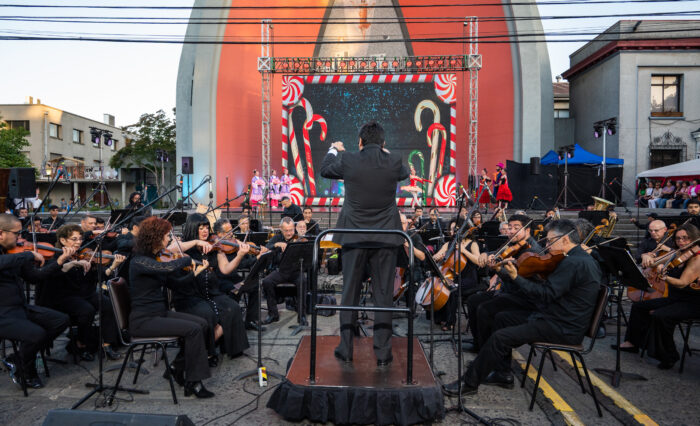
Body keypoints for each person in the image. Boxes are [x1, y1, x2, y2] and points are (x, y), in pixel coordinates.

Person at [444, 220, 601, 396]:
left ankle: (469, 383)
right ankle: (502, 373)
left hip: (562, 326)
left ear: (564, 239)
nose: (547, 246)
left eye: (550, 241)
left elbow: (545, 294)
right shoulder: (576, 258)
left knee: (500, 337)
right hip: (557, 317)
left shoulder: (575, 262)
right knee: (502, 318)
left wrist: (516, 277)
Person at [320, 121, 409, 366]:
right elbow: (405, 173)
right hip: (385, 239)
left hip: (353, 237)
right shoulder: (394, 160)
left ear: (359, 142)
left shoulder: (349, 159)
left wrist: (334, 149)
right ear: (383, 143)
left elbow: (325, 170)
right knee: (383, 297)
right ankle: (382, 354)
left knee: (349, 294)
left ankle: (346, 350)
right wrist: (384, 151)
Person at [129, 216, 214, 398]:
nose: (169, 239)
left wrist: (194, 274)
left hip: (159, 314)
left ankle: (177, 367)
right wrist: (186, 259)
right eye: (167, 236)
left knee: (203, 324)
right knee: (193, 330)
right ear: (156, 237)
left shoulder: (155, 259)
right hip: (143, 320)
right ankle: (194, 382)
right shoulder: (139, 262)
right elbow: (167, 269)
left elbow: (176, 284)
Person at [613, 224, 700, 369]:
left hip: (693, 302)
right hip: (675, 299)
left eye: (686, 238)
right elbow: (653, 262)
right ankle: (633, 343)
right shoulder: (677, 253)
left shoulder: (696, 259)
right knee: (639, 307)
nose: (681, 242)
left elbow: (682, 283)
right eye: (678, 238)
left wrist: (664, 277)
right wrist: (647, 256)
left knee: (661, 316)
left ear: (694, 239)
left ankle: (670, 355)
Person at [0, 214, 72, 389]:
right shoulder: (16, 256)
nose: (20, 238)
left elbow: (35, 277)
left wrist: (59, 262)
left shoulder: (15, 252)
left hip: (19, 308)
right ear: (1, 233)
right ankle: (26, 372)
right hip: (2, 314)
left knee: (60, 320)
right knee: (36, 334)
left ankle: (18, 359)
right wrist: (29, 255)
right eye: (17, 234)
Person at [40, 224, 125, 361]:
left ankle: (107, 344)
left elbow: (98, 277)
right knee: (87, 310)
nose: (78, 242)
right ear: (63, 241)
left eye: (80, 239)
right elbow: (50, 278)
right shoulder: (56, 256)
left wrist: (113, 266)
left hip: (84, 294)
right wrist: (70, 264)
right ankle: (81, 343)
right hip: (63, 297)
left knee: (108, 304)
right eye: (74, 239)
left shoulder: (82, 255)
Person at [174, 214, 250, 363]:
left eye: (207, 228)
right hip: (192, 295)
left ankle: (231, 349)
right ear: (192, 229)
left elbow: (226, 269)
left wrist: (240, 255)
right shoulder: (184, 246)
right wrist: (195, 242)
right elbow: (170, 249)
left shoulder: (216, 247)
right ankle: (204, 353)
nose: (205, 231)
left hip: (212, 293)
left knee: (233, 307)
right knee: (208, 315)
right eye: (201, 228)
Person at [433, 222, 481, 331]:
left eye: (454, 229)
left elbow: (478, 261)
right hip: (451, 276)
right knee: (438, 287)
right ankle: (440, 317)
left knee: (452, 289)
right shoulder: (448, 244)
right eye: (451, 229)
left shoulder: (472, 244)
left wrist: (463, 250)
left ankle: (450, 321)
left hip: (468, 278)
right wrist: (438, 257)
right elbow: (435, 256)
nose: (451, 232)